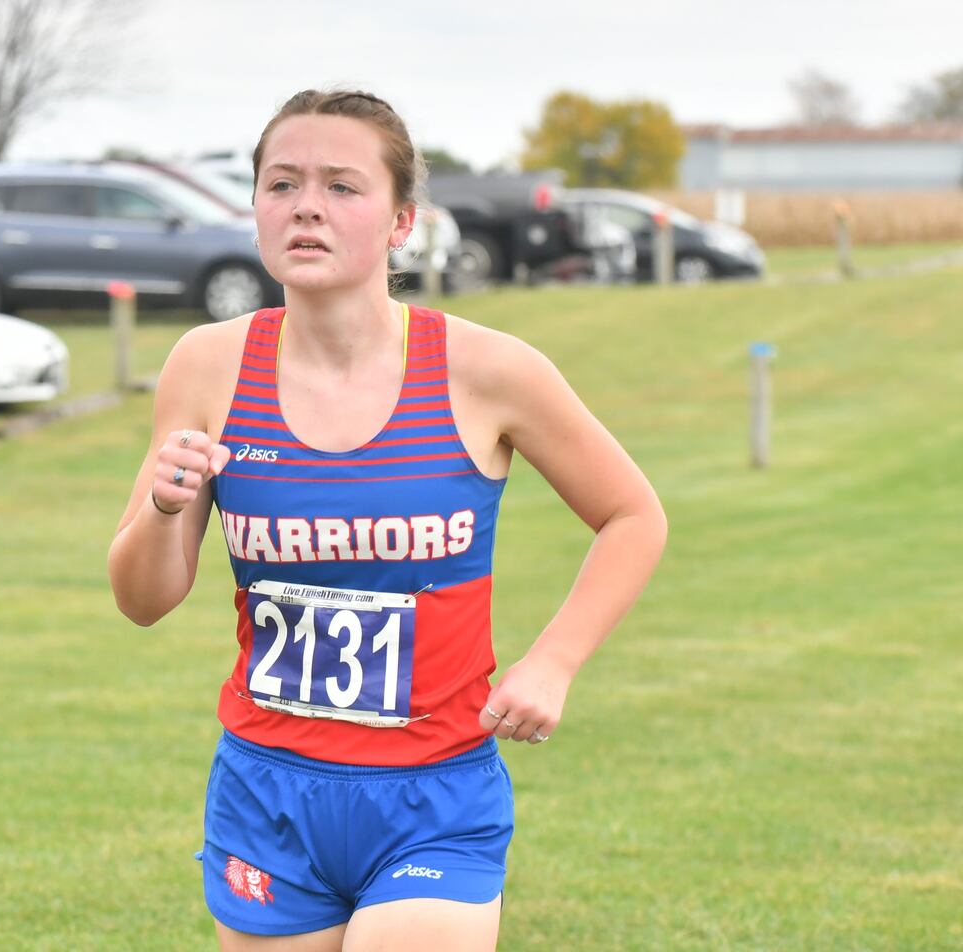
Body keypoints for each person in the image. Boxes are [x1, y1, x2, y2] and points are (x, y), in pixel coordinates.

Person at [108, 89, 667, 951]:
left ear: (403, 220)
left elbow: (633, 514)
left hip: (434, 792)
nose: (306, 207)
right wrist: (161, 505)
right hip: (268, 790)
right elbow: (142, 601)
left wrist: (554, 663)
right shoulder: (207, 366)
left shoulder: (487, 369)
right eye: (282, 184)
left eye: (343, 187)